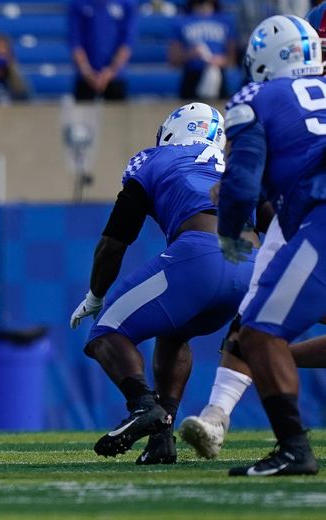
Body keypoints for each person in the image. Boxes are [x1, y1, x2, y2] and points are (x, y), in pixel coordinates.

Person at [70, 102, 257, 465]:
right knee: (173, 334)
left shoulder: (154, 157)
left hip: (201, 255)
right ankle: (161, 440)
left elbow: (114, 241)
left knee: (106, 331)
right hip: (249, 266)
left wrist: (95, 294)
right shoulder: (235, 165)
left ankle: (143, 405)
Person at [202, 14, 325, 476]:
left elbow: (242, 177)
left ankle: (294, 449)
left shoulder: (256, 97)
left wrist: (232, 230)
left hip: (320, 215)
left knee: (257, 332)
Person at [68, 0, 137, 101]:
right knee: (84, 113)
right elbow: (75, 43)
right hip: (85, 78)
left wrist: (110, 72)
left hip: (116, 78)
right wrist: (88, 72)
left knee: (117, 115)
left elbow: (127, 43)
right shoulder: (78, 4)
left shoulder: (127, 4)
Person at [169, 0, 237, 101]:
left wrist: (221, 60)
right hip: (191, 78)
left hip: (219, 77)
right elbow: (173, 59)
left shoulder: (225, 20)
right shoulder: (181, 21)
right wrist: (190, 54)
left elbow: (233, 58)